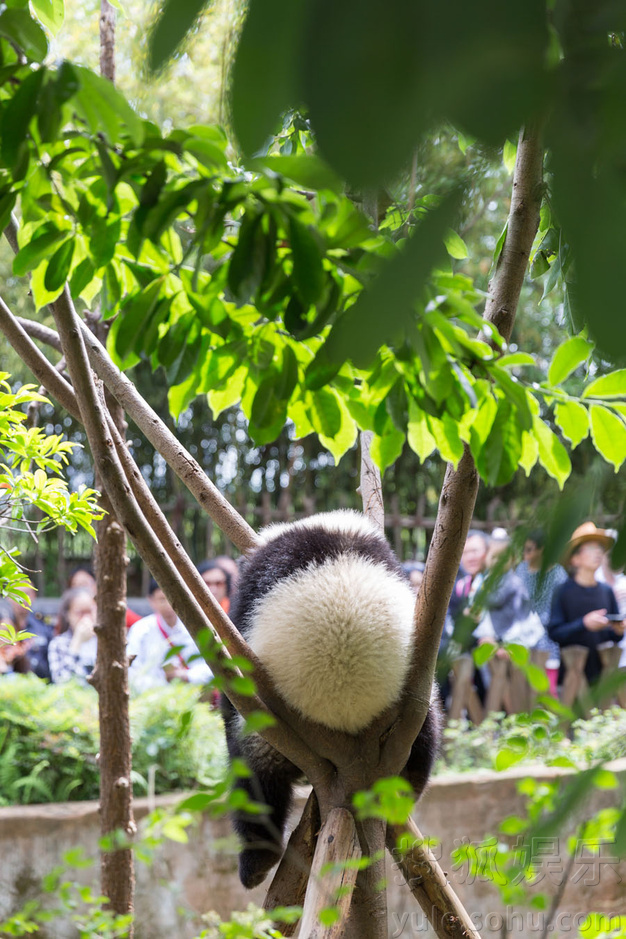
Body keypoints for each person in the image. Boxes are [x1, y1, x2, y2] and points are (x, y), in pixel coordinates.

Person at [548, 522, 625, 684]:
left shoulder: (606, 590)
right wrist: (584, 624)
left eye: (600, 549)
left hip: (603, 676)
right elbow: (554, 633)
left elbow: (612, 636)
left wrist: (618, 630)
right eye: (591, 548)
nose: (597, 553)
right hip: (572, 678)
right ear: (575, 558)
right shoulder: (563, 591)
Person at [127, 579, 213, 692]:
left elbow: (212, 668)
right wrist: (162, 684)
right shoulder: (141, 630)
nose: (168, 605)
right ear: (151, 600)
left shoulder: (195, 628)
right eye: (162, 599)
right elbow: (132, 673)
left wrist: (186, 676)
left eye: (171, 598)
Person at [515, 529, 568, 695]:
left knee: (547, 685)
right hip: (523, 634)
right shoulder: (521, 570)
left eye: (530, 549)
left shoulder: (558, 574)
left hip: (549, 636)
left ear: (542, 550)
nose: (526, 554)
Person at [1, 579, 53, 679]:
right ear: (8, 597)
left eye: (26, 594)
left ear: (34, 596)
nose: (22, 599)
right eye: (17, 594)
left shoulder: (42, 626)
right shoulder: (4, 625)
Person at [67, 564, 142, 628]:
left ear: (96, 585)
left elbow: (140, 625)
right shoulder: (67, 612)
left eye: (84, 584)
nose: (81, 589)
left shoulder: (113, 608)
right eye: (75, 585)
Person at [48, 587, 98, 683]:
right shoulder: (58, 644)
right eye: (80, 613)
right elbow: (62, 682)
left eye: (90, 611)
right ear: (68, 615)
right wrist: (77, 642)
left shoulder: (106, 642)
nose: (86, 618)